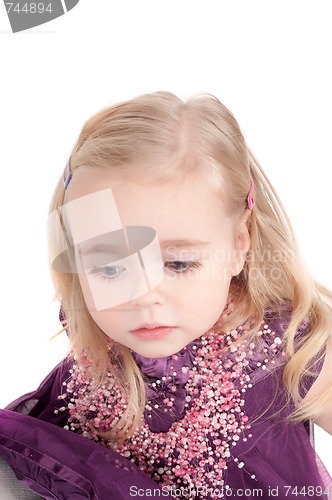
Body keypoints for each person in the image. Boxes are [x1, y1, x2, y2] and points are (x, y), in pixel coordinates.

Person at [0, 91, 331, 499]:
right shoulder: (97, 349)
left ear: (239, 243)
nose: (143, 295)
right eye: (109, 267)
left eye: (178, 264)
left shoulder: (281, 346)